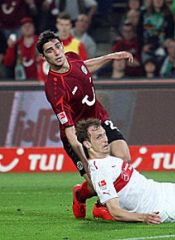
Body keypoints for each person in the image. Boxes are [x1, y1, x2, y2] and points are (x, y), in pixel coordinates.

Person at [36, 30, 134, 220]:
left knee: (123, 157)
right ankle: (80, 195)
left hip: (98, 120)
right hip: (79, 133)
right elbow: (71, 133)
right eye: (50, 50)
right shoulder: (55, 89)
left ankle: (100, 206)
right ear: (44, 57)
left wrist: (111, 56)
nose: (56, 52)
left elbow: (84, 66)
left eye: (57, 46)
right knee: (95, 181)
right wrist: (87, 164)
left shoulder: (72, 57)